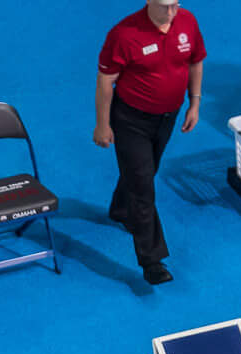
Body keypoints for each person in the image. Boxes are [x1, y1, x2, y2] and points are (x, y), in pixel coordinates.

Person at [94, 0, 205, 287]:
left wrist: (194, 103)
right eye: (164, 6)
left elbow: (195, 61)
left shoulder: (187, 21)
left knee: (143, 172)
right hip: (131, 120)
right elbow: (106, 81)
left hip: (168, 116)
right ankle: (151, 261)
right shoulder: (123, 34)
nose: (171, 13)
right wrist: (103, 125)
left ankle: (120, 209)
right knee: (143, 188)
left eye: (175, 5)